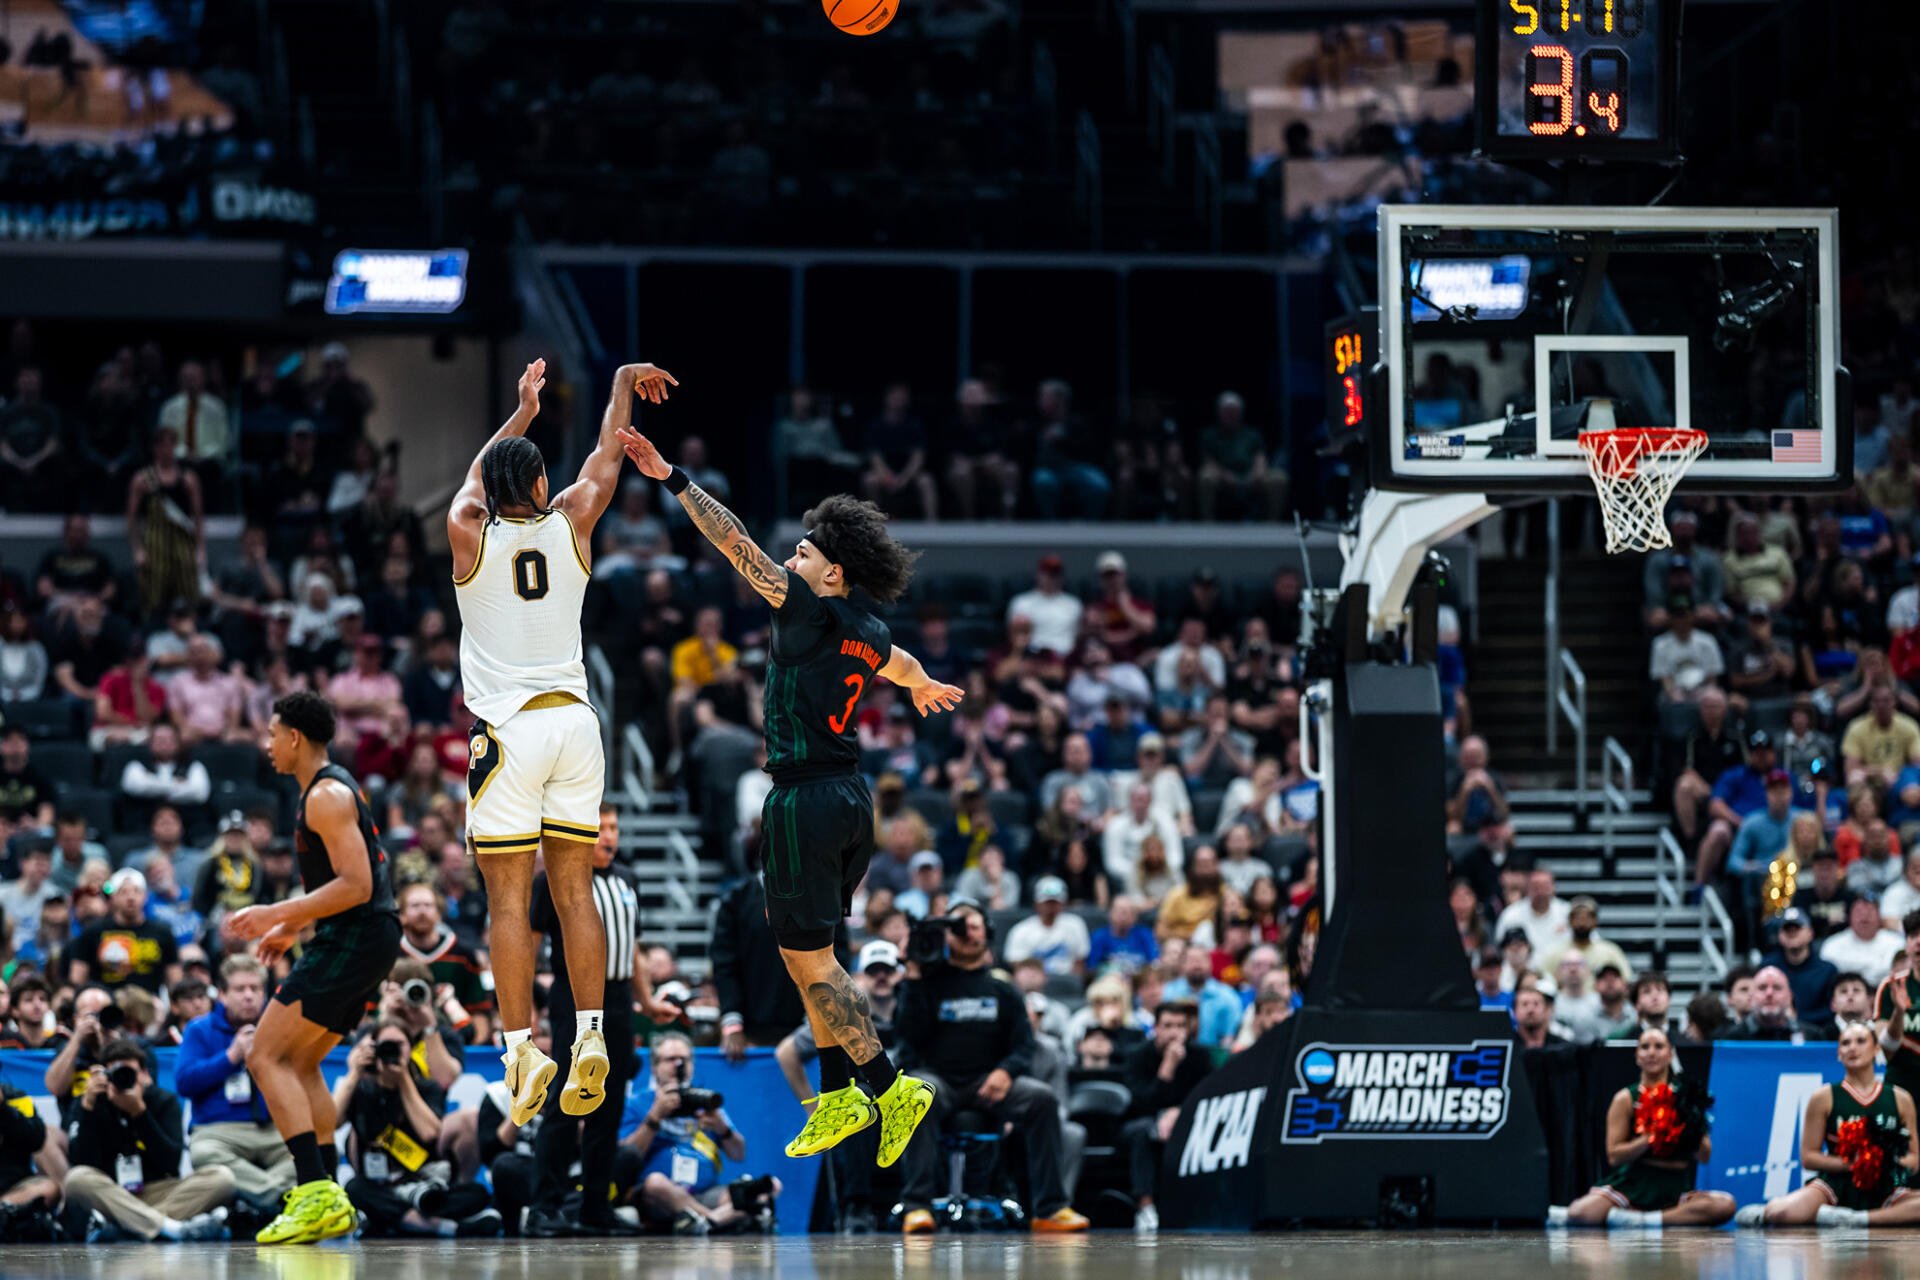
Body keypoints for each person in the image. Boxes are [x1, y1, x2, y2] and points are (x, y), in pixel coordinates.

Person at [618, 421, 965, 1172]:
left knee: (808, 962)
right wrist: (923, 684)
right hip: (849, 799)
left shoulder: (804, 606)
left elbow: (732, 540)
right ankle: (841, 1087)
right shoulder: (867, 626)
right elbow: (899, 662)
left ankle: (886, 1084)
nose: (789, 558)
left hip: (806, 801)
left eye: (804, 551)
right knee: (818, 957)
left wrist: (673, 478)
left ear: (832, 572)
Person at [449, 360, 672, 1124]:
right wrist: (618, 383)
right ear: (542, 485)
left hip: (508, 731)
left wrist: (521, 410)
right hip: (576, 724)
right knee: (575, 893)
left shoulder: (468, 533)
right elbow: (613, 446)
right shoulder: (573, 517)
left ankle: (520, 1050)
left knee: (510, 899)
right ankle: (592, 1035)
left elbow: (477, 479)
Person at [220, 691, 401, 1244]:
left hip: (357, 935)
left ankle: (314, 1190)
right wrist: (293, 926)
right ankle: (330, 1196)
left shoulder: (324, 795)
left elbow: (357, 885)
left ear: (294, 737)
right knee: (298, 1062)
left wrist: (276, 911)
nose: (266, 743)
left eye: (272, 733)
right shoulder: (328, 789)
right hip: (362, 936)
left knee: (263, 1052)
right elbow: (347, 884)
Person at [525, 803, 679, 1237]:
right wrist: (528, 1014)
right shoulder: (552, 879)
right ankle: (544, 1207)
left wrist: (646, 1003)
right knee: (564, 1100)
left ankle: (596, 1206)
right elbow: (529, 945)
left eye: (613, 827)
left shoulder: (627, 879)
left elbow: (630, 947)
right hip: (571, 997)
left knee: (608, 1107)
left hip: (617, 1000)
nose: (609, 836)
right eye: (600, 828)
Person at [892, 901, 1089, 1232]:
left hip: (990, 1084)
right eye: (959, 926)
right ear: (946, 936)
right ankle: (917, 1206)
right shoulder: (925, 984)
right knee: (917, 1093)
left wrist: (1006, 1072)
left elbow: (1025, 1044)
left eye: (974, 925)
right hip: (939, 1081)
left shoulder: (1002, 989)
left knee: (1041, 1098)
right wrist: (913, 973)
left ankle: (1050, 1208)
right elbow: (907, 1037)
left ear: (988, 933)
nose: (967, 932)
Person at [1735, 1021, 1920, 1227]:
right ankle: (1768, 1210)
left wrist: (1882, 1163)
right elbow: (1809, 1157)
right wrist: (1853, 1164)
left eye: (1861, 1041)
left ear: (1876, 1048)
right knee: (1783, 1214)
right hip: (1836, 1183)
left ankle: (1857, 1220)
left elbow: (1913, 1158)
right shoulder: (1824, 1096)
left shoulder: (1900, 1097)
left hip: (1885, 1184)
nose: (1852, 1048)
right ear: (1838, 1054)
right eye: (1845, 1043)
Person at [774, 939, 901, 1233]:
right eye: (874, 971)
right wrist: (813, 1106)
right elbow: (785, 1053)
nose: (881, 977)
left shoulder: (913, 1007)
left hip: (904, 1104)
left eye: (888, 970)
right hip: (867, 1104)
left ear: (900, 974)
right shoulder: (847, 1009)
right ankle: (858, 1205)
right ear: (859, 976)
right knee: (862, 1102)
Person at [334, 1019, 499, 1238]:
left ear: (410, 1049)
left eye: (398, 1045)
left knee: (477, 1194)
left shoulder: (426, 1086)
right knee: (355, 1189)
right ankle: (442, 1227)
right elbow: (329, 1124)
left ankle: (394, 1221)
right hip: (381, 1186)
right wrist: (354, 1073)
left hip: (427, 1186)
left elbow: (430, 1133)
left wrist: (403, 1079)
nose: (391, 1050)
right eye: (385, 1045)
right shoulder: (362, 1088)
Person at [1556, 1027, 1734, 1228]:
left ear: (1670, 1053)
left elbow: (1704, 1156)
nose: (1651, 1052)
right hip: (1634, 1182)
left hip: (1675, 1185)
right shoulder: (1625, 1098)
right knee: (1581, 1213)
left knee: (1725, 1205)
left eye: (1659, 1046)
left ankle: (1647, 1221)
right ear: (1637, 1056)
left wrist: (1691, 1122)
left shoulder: (1687, 1097)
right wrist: (1649, 1138)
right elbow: (1614, 1155)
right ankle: (1630, 1214)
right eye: (1644, 1047)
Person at [63, 1036, 234, 1241]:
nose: (122, 1079)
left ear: (144, 1074)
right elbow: (82, 1160)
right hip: (112, 1192)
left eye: (129, 1073)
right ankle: (170, 1227)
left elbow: (170, 1163)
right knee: (76, 1178)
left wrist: (139, 1113)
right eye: (115, 1073)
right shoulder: (91, 1103)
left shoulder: (163, 1100)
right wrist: (88, 1108)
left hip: (158, 1190)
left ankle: (129, 1226)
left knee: (222, 1178)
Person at [616, 1031, 778, 1234]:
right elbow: (626, 1157)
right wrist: (655, 1117)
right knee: (656, 1183)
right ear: (655, 1067)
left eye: (684, 1059)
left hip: (706, 1194)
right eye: (670, 1059)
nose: (678, 1065)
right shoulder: (638, 1103)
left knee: (765, 1188)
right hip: (658, 1196)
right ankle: (718, 1221)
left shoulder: (704, 1102)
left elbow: (739, 1154)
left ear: (692, 1064)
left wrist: (722, 1128)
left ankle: (703, 1222)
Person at [174, 955, 295, 1202]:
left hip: (274, 1128)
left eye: (255, 989)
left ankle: (260, 1197)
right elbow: (184, 1082)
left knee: (319, 1153)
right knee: (203, 1153)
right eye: (240, 989)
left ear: (265, 993)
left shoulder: (280, 1029)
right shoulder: (200, 1029)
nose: (248, 996)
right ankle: (279, 1197)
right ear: (222, 994)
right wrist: (231, 1057)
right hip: (219, 1131)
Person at [1122, 1001, 1214, 1233]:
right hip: (1141, 1121)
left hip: (1187, 1120)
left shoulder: (1200, 1056)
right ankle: (1145, 1207)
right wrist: (1167, 1068)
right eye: (1168, 1025)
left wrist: (1179, 1112)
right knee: (1144, 1131)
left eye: (1180, 1026)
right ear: (1156, 1028)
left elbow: (1209, 1097)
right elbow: (1140, 1103)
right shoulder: (1137, 1055)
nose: (1174, 1032)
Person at [68, 868, 180, 995]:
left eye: (136, 891)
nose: (131, 897)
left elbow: (175, 981)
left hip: (150, 1004)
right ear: (114, 897)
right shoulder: (93, 932)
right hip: (107, 1006)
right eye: (124, 892)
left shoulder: (162, 932)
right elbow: (77, 979)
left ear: (145, 897)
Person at [1874, 911, 1920, 1106]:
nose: (1918, 941)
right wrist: (1899, 1013)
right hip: (1900, 1090)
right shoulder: (1891, 987)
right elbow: (1887, 1051)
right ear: (1906, 946)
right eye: (1912, 936)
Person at [1003, 876, 1091, 977]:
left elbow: (1080, 962)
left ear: (1064, 903)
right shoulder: (1021, 930)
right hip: (1034, 981)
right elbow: (1017, 965)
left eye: (1055, 902)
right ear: (1037, 903)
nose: (1052, 907)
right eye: (1047, 903)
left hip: (1065, 979)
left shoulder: (1075, 924)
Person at [1763, 908, 1841, 1017]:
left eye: (1797, 928)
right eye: (1787, 929)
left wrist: (1797, 1020)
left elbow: (1833, 1009)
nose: (1792, 933)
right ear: (1779, 936)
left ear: (1810, 933)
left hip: (1816, 1030)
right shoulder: (1767, 968)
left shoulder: (1827, 971)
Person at [1821, 895, 1904, 986]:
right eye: (1859, 912)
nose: (1864, 917)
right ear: (1849, 917)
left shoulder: (1897, 943)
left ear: (1879, 917)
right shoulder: (1832, 945)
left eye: (1869, 912)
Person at [1725, 965, 1819, 1042]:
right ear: (1752, 996)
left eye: (1777, 987)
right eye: (1762, 988)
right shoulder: (1732, 1038)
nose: (1769, 993)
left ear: (1789, 997)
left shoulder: (1812, 1036)